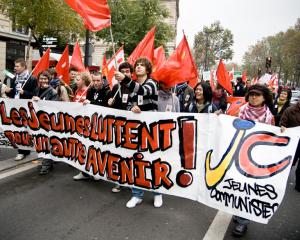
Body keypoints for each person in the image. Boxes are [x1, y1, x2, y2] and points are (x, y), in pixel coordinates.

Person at [115, 57, 162, 208]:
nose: (139, 67)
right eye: (137, 65)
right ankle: (137, 195)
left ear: (148, 70)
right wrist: (132, 109)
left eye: (142, 65)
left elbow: (142, 90)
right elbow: (129, 104)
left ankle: (157, 193)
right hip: (136, 130)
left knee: (152, 162)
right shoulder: (132, 87)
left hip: (151, 130)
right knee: (136, 162)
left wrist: (124, 79)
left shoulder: (152, 83)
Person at [232, 84, 274, 237]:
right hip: (237, 155)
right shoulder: (241, 110)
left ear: (264, 98)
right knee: (237, 187)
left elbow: (271, 137)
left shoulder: (268, 117)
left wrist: (281, 130)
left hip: (256, 158)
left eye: (257, 95)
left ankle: (243, 222)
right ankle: (238, 214)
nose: (253, 97)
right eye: (251, 94)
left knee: (248, 189)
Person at [108, 62, 134, 193]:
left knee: (131, 156)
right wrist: (110, 103)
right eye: (122, 71)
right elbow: (111, 110)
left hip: (133, 128)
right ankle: (120, 180)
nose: (124, 73)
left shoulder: (135, 87)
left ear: (131, 73)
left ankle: (132, 180)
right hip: (119, 127)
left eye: (127, 71)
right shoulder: (115, 88)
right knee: (119, 155)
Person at [9, 58, 37, 160]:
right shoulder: (14, 78)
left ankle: (25, 150)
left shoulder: (32, 79)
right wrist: (8, 91)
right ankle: (22, 150)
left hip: (26, 109)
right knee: (18, 129)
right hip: (15, 107)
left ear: (23, 67)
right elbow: (12, 93)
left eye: (17, 66)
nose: (15, 68)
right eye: (14, 66)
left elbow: (35, 94)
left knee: (26, 130)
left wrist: (24, 93)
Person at [32, 71, 59, 174]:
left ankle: (46, 165)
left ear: (49, 79)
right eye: (41, 78)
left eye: (45, 79)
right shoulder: (36, 90)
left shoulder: (53, 92)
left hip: (48, 122)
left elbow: (53, 107)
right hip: (38, 120)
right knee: (41, 142)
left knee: (47, 143)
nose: (43, 80)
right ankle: (47, 162)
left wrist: (41, 102)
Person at [280, 97, 300, 192]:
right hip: (293, 141)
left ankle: (299, 184)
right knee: (290, 161)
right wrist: (283, 126)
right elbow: (283, 122)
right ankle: (281, 178)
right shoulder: (290, 110)